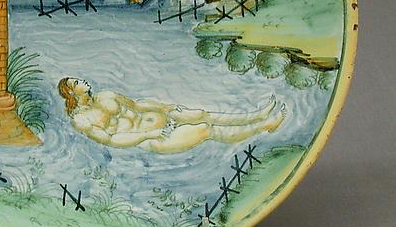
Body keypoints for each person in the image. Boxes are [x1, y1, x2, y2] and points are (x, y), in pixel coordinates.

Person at [58, 77, 286, 154]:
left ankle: (258, 115)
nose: (83, 81)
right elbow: (111, 140)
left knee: (202, 114)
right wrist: (150, 134)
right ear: (72, 93)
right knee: (206, 129)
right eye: (77, 82)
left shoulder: (105, 95)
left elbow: (136, 104)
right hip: (155, 138)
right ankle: (264, 126)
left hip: (162, 118)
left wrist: (165, 107)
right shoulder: (81, 119)